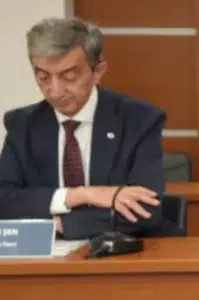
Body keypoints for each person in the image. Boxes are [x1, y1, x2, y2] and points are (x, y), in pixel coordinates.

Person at [0, 17, 166, 240]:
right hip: (44, 255)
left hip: (120, 252)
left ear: (97, 72)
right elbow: (4, 200)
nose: (55, 91)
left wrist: (59, 225)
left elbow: (146, 208)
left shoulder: (139, 119)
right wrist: (79, 195)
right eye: (43, 78)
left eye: (69, 77)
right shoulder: (22, 124)